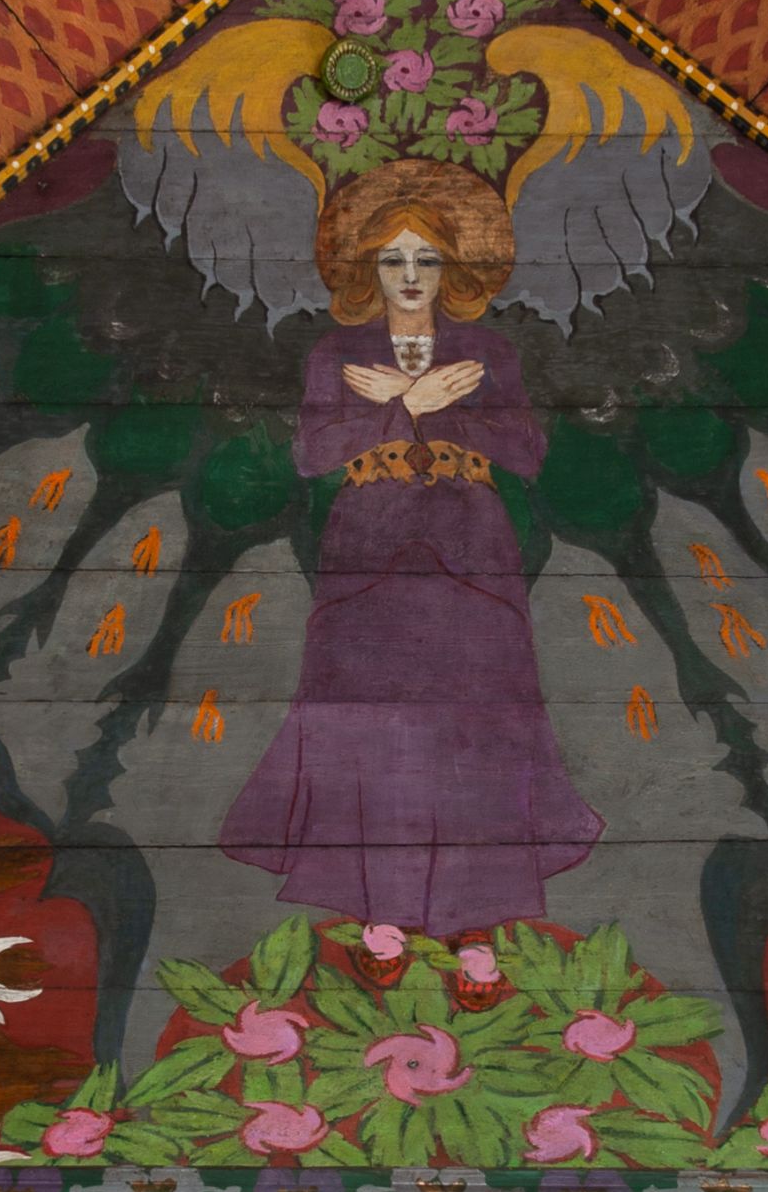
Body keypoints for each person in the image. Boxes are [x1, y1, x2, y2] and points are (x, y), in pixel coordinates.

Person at [217, 161, 603, 933]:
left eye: (426, 257)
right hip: (369, 550)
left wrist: (430, 406)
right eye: (392, 258)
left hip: (472, 550)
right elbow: (313, 453)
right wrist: (404, 407)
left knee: (480, 717)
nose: (410, 274)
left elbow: (525, 451)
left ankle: (480, 915)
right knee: (366, 719)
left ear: (452, 266)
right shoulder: (337, 353)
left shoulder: (488, 350)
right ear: (368, 268)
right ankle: (376, 912)